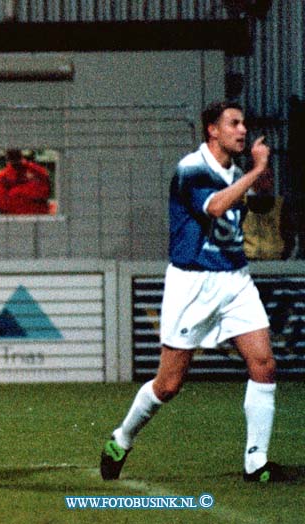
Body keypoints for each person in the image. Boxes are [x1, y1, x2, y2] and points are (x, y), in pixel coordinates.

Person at [99, 101, 284, 483]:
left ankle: (256, 459)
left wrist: (259, 181)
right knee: (168, 385)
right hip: (193, 285)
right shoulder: (192, 168)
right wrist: (259, 170)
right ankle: (122, 437)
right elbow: (215, 207)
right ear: (212, 130)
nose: (242, 130)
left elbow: (253, 207)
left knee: (264, 364)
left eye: (244, 123)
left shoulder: (232, 171)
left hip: (234, 279)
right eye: (234, 123)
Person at [243, 168, 295, 260]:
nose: (267, 181)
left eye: (269, 177)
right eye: (261, 177)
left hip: (276, 262)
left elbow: (290, 236)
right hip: (246, 261)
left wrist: (285, 259)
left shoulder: (282, 206)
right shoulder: (239, 205)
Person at [0, 149, 51, 214]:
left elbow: (44, 192)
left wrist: (15, 192)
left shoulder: (36, 170)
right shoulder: (2, 177)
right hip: (15, 219)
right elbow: (3, 204)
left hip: (39, 217)